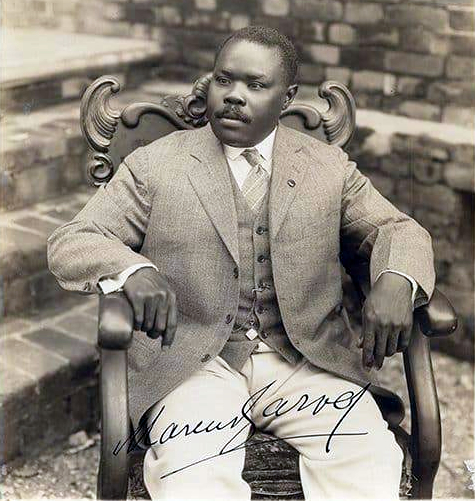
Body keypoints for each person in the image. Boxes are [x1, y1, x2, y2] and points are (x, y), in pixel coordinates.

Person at [48, 26, 435, 500]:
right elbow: (74, 240)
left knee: (368, 462)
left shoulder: (327, 167)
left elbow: (398, 229)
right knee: (193, 478)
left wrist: (397, 278)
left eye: (255, 86)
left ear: (286, 96)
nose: (234, 97)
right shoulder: (156, 165)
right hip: (192, 364)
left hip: (305, 363)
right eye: (224, 80)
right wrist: (134, 270)